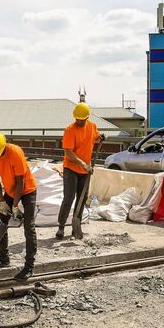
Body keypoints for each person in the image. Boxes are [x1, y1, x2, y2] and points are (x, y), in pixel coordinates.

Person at [0, 131, 38, 280]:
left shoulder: (15, 152)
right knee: (0, 221)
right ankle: (3, 257)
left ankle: (29, 266)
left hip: (27, 190)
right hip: (10, 191)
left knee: (29, 227)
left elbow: (21, 182)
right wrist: (1, 202)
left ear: (3, 147)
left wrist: (15, 206)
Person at [56, 102, 103, 239]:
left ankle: (76, 224)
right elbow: (69, 153)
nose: (79, 121)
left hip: (85, 170)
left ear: (87, 118)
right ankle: (61, 226)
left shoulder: (92, 126)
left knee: (82, 199)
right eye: (77, 119)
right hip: (71, 169)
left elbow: (96, 137)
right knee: (69, 197)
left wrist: (100, 138)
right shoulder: (70, 130)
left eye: (82, 119)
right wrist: (83, 164)